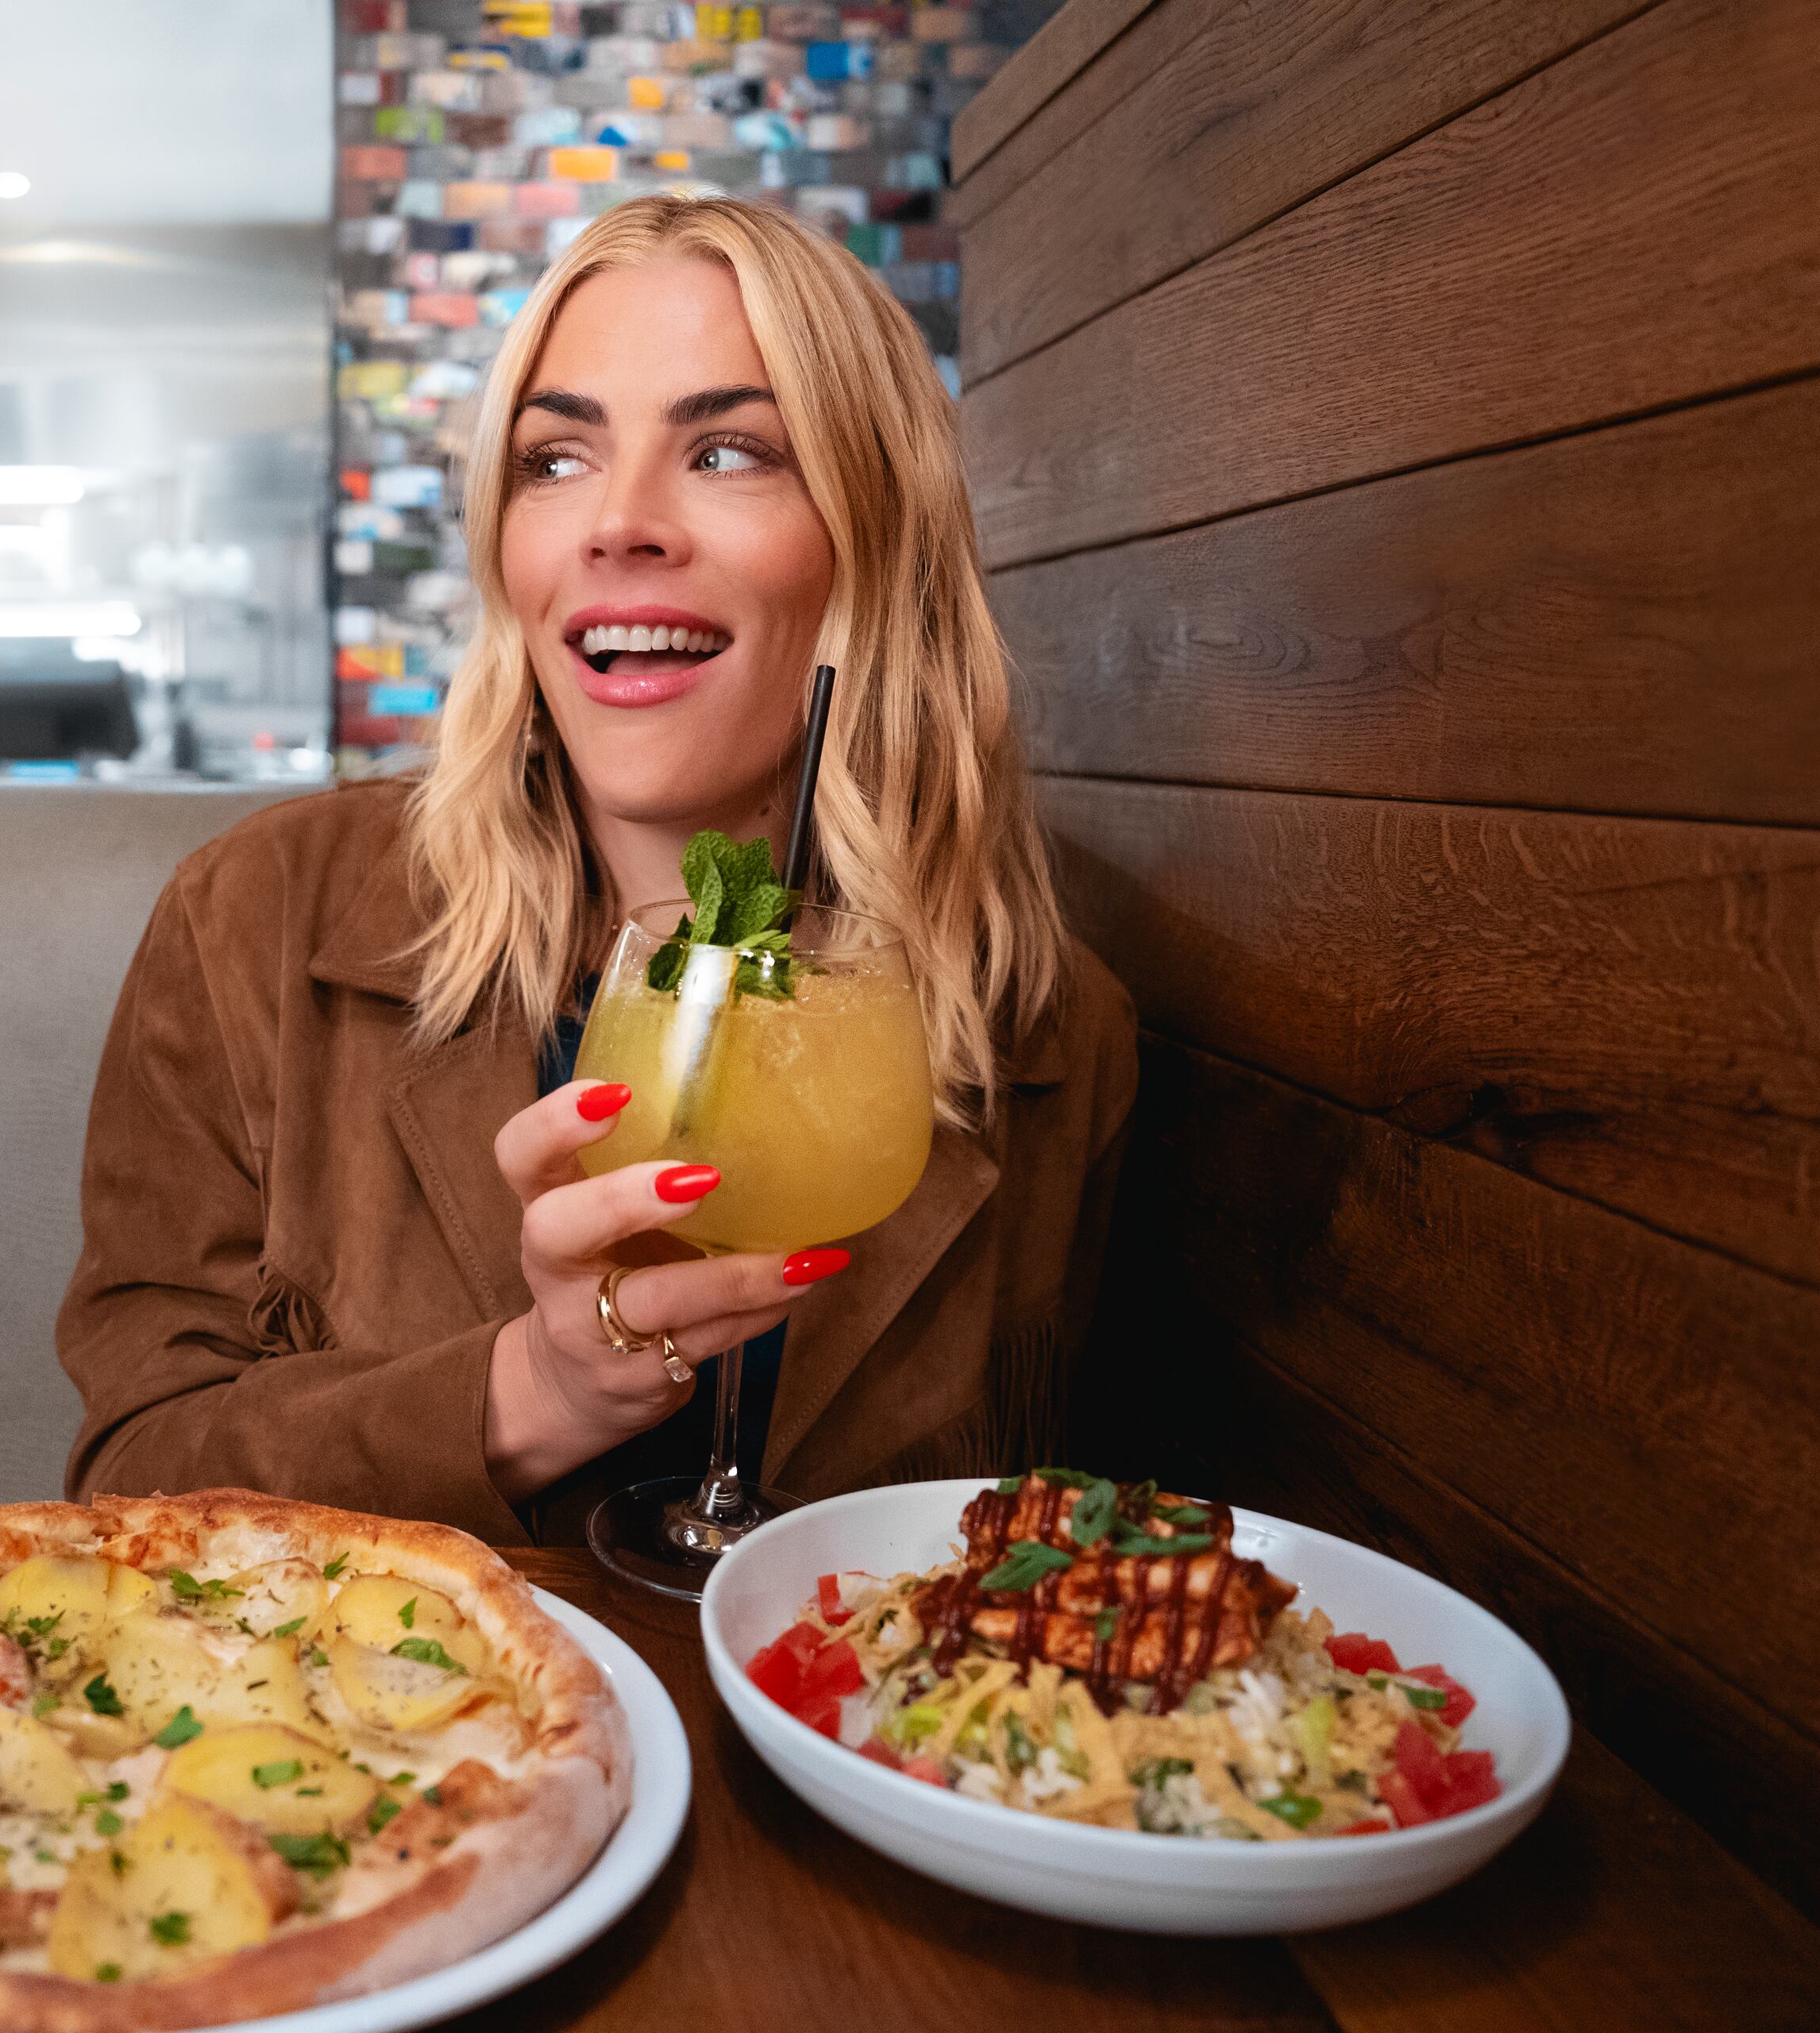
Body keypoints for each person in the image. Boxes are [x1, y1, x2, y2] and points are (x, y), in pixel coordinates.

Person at [58, 194, 1135, 1548]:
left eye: (731, 451)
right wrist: (534, 1389)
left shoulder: (1051, 1030)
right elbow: (132, 1480)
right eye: (555, 461)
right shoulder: (254, 921)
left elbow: (1053, 1538)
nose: (617, 524)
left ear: (878, 537)